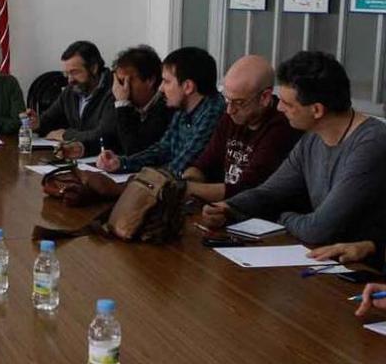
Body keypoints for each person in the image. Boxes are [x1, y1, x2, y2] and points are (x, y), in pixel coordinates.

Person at [202, 51, 386, 252]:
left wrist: (280, 216)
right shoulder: (313, 137)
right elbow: (270, 191)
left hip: (363, 269)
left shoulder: (371, 144)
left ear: (317, 110)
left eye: (287, 103)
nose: (279, 108)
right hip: (324, 256)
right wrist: (227, 208)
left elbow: (318, 229)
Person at [183, 55, 302, 203]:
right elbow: (204, 163)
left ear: (264, 97)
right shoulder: (232, 116)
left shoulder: (283, 126)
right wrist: (188, 180)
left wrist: (185, 189)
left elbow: (248, 189)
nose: (229, 110)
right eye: (227, 100)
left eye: (239, 102)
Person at [96, 46, 226, 175]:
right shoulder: (183, 109)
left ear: (188, 87)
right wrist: (122, 163)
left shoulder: (213, 112)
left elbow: (181, 165)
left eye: (166, 81)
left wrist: (142, 179)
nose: (161, 88)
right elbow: (163, 149)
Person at [58, 45, 171, 158]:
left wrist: (122, 104)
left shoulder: (165, 108)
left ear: (150, 80)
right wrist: (82, 148)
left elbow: (135, 151)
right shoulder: (131, 104)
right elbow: (112, 139)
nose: (119, 88)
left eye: (124, 81)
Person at [23, 41, 115, 148]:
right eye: (66, 74)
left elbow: (104, 136)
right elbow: (49, 119)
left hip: (107, 160)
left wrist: (66, 135)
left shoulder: (114, 90)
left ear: (94, 68)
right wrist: (37, 123)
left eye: (74, 72)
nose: (70, 80)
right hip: (78, 156)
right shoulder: (71, 91)